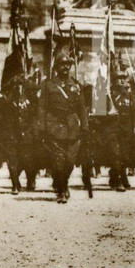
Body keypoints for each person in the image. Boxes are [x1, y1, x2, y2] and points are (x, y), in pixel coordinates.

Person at [38, 54, 87, 203]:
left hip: (72, 128)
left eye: (68, 65)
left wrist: (85, 126)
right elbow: (42, 108)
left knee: (70, 161)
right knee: (58, 161)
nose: (65, 67)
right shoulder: (48, 85)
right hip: (54, 126)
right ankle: (60, 190)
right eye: (62, 65)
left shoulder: (76, 85)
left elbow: (82, 108)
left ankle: (63, 183)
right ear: (56, 67)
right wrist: (42, 127)